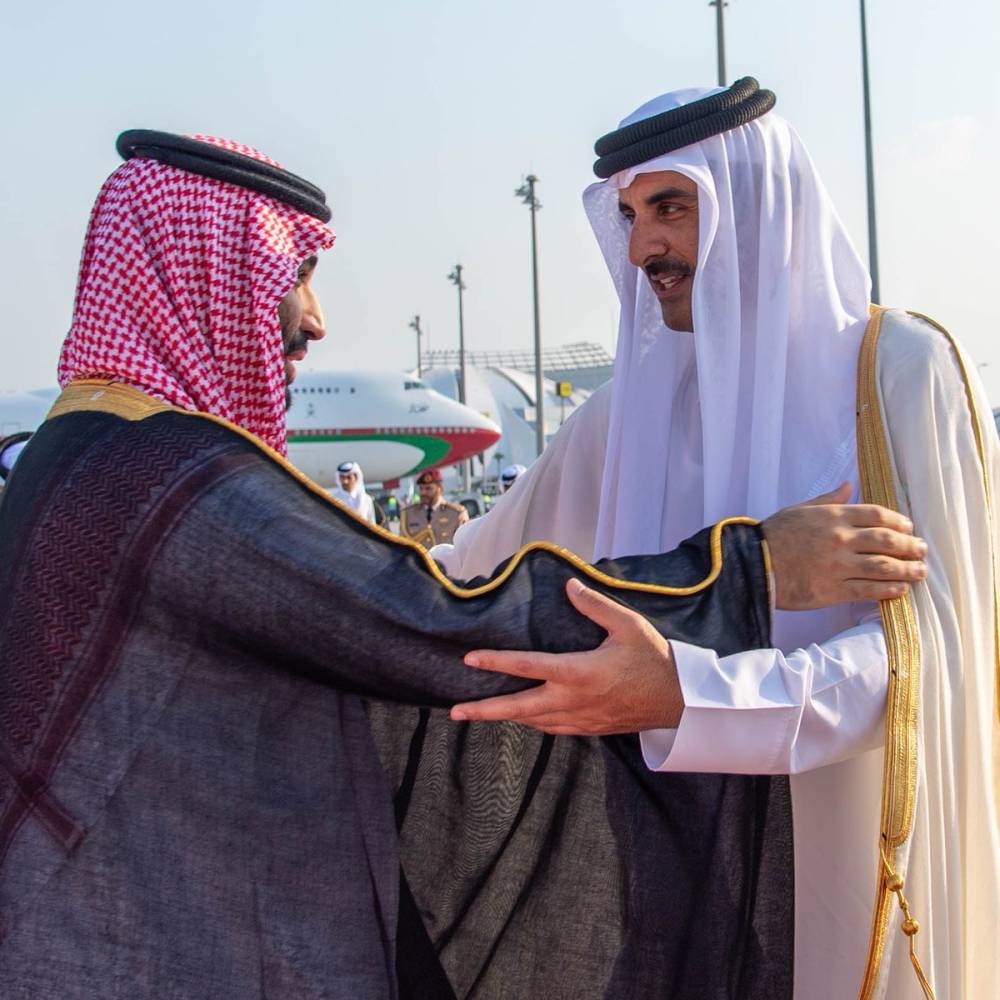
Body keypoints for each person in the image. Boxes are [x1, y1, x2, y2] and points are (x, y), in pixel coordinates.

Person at [0, 126, 917, 1000]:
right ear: (200, 270)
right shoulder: (170, 478)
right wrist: (749, 569)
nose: (314, 319)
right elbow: (433, 621)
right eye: (298, 275)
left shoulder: (84, 449)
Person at [437, 79, 999, 998]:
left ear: (757, 207)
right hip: (673, 866)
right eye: (629, 216)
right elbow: (467, 578)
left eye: (672, 207)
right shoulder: (623, 415)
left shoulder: (900, 372)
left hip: (851, 860)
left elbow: (930, 657)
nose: (643, 248)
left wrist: (689, 696)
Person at [399, 467, 469, 546]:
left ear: (440, 489)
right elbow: (402, 544)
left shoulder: (456, 513)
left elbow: (464, 544)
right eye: (421, 488)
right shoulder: (408, 513)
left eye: (428, 488)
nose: (423, 493)